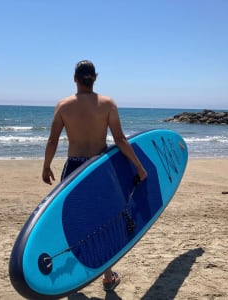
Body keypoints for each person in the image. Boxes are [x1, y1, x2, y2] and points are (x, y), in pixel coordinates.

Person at [42, 60, 147, 291]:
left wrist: (46, 166)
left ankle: (71, 278)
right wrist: (139, 167)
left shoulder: (63, 105)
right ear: (95, 78)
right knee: (103, 223)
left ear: (75, 79)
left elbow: (52, 140)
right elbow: (120, 140)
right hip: (99, 170)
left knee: (73, 222)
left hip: (74, 170)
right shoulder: (107, 104)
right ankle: (108, 279)